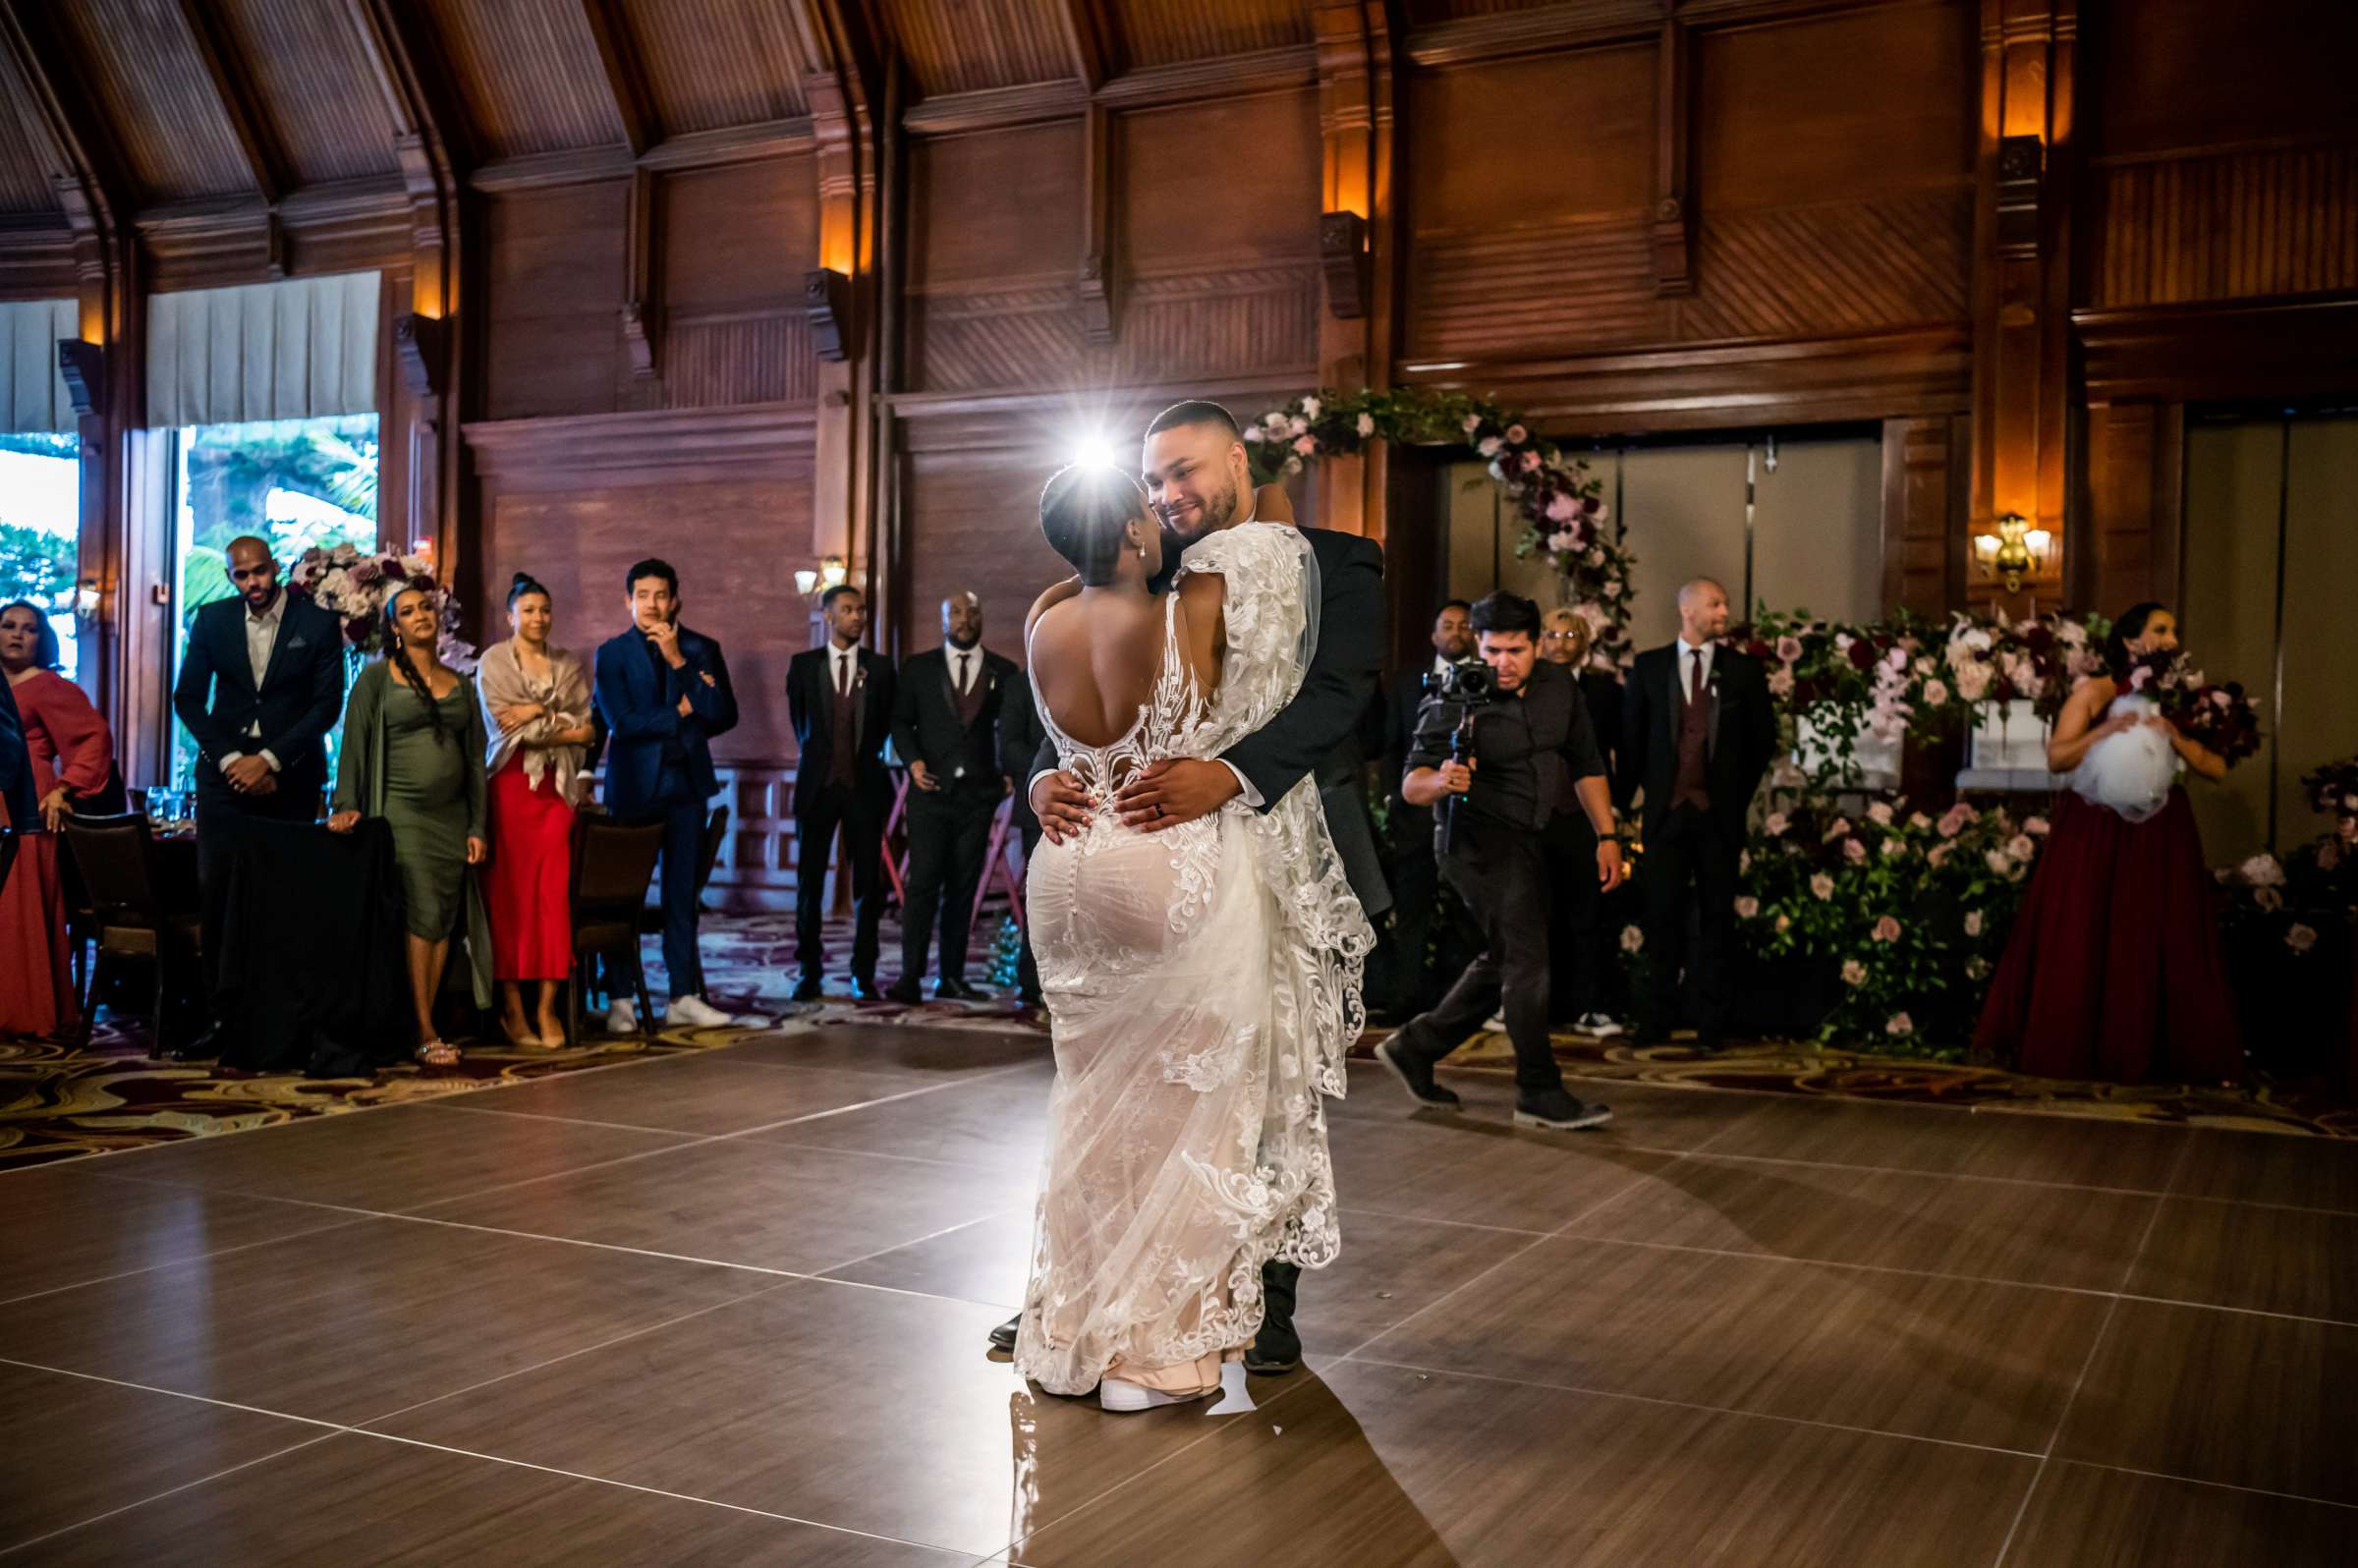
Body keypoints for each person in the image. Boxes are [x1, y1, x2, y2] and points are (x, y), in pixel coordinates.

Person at [996, 400, 1386, 1382]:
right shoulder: (1151, 576)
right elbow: (1044, 711)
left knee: (1266, 1082)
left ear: (1237, 458)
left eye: (1184, 472)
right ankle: (1098, 1301)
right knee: (1126, 1086)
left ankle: (1262, 1305)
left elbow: (1341, 698)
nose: (1169, 496)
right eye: (1154, 481)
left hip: (1276, 836)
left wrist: (1237, 770)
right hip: (1153, 854)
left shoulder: (1338, 560)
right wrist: (1042, 779)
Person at [1375, 592, 1626, 1128]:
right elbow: (1411, 783)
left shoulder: (1561, 686)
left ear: (1537, 645)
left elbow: (1585, 763)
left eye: (1515, 650)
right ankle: (1537, 1089)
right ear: (1478, 647)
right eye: (1492, 651)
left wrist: (1607, 834)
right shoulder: (1453, 696)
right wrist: (1442, 779)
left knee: (1509, 956)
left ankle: (1417, 1046)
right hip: (1474, 841)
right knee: (1528, 958)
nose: (1502, 663)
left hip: (1532, 835)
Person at [1975, 602, 2246, 1083]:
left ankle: (2159, 1049)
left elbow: (2217, 768)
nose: (2170, 639)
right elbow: (2057, 758)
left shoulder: (2184, 700)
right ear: (2130, 641)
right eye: (2160, 630)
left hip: (2162, 832)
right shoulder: (2096, 692)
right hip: (2096, 829)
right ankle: (2076, 1043)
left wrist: (2175, 736)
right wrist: (2105, 730)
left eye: (2173, 631)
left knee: (2158, 931)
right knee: (2087, 926)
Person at [170, 534, 347, 1058]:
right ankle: (221, 1021)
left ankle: (286, 1023)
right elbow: (187, 699)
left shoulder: (316, 623)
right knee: (219, 894)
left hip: (289, 774)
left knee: (285, 897)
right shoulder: (213, 620)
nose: (254, 584)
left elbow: (326, 707)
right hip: (223, 777)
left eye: (261, 572)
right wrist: (232, 762)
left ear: (276, 568)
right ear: (231, 577)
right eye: (242, 575)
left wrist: (268, 761)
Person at [327, 586, 490, 1066]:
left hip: (452, 819)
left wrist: (478, 825)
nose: (421, 615)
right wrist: (345, 803)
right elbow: (353, 744)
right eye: (408, 611)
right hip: (401, 813)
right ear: (393, 628)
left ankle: (422, 1021)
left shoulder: (460, 684)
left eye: (426, 607)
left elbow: (476, 762)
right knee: (421, 914)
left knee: (440, 921)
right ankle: (423, 1030)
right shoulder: (377, 679)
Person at [1620, 578, 1776, 1050]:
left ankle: (1712, 1025)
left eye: (1725, 603)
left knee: (1716, 922)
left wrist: (1733, 796)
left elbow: (1762, 742)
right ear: (1688, 610)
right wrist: (1625, 805)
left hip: (1718, 818)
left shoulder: (1744, 672)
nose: (1725, 611)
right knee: (1661, 919)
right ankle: (1657, 1018)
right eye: (1715, 604)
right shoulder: (1648, 668)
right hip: (1665, 816)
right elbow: (1631, 742)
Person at [592, 558, 741, 1031]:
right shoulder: (612, 653)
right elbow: (622, 723)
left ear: (675, 599)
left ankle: (683, 994)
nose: (652, 604)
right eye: (643, 596)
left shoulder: (700, 648)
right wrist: (679, 712)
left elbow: (722, 714)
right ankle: (619, 998)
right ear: (628, 601)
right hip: (633, 788)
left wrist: (680, 662)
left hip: (685, 788)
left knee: (682, 895)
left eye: (661, 595)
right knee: (622, 896)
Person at [477, 573, 593, 1047]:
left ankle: (547, 1007)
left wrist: (535, 714)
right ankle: (512, 1009)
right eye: (528, 610)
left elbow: (586, 731)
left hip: (554, 791)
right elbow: (505, 731)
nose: (538, 618)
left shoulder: (567, 663)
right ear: (510, 617)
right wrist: (551, 721)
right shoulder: (493, 661)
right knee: (509, 900)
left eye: (544, 610)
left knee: (550, 900)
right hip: (508, 789)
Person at [887, 590, 1017, 1003]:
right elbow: (900, 723)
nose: (964, 618)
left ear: (982, 618)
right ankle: (910, 977)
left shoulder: (1004, 670)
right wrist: (913, 763)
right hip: (930, 793)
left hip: (978, 797)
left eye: (971, 611)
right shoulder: (918, 669)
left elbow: (1011, 731)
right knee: (923, 883)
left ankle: (952, 976)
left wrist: (1010, 774)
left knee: (963, 888)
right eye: (956, 612)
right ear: (943, 620)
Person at [0, 602, 114, 1036]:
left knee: (20, 907)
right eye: (8, 626)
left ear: (40, 638)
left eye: (29, 629)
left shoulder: (49, 686)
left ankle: (25, 1009)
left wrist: (64, 789)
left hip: (28, 802)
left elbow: (94, 737)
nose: (17, 634)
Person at [785, 585, 895, 1001]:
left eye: (862, 610)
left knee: (869, 885)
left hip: (865, 788)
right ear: (828, 616)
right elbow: (801, 725)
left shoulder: (881, 669)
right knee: (809, 884)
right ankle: (808, 972)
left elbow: (883, 725)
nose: (858, 617)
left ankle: (862, 974)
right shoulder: (803, 666)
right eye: (848, 609)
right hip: (817, 788)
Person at [1379, 600, 1474, 1021]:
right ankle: (1406, 997)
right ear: (1435, 635)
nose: (1455, 632)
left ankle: (1458, 1001)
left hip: (1467, 816)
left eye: (1464, 625)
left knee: (1464, 910)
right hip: (1414, 815)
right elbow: (1391, 745)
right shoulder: (1404, 682)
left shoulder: (1484, 681)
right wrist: (1391, 799)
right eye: (1447, 625)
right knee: (1412, 909)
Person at [1539, 606, 1626, 1035]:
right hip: (1536, 815)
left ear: (1585, 643)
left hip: (1584, 816)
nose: (1560, 643)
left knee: (1588, 914)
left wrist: (1614, 812)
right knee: (1537, 915)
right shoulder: (1525, 688)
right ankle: (1538, 1005)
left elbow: (1622, 751)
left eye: (1569, 635)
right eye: (1551, 635)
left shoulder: (1605, 692)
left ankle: (1593, 1004)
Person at [996, 670, 1046, 1009]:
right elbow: (1010, 747)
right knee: (1040, 895)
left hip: (1096, 802)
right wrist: (1052, 773)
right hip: (1039, 803)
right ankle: (1032, 980)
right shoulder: (1021, 681)